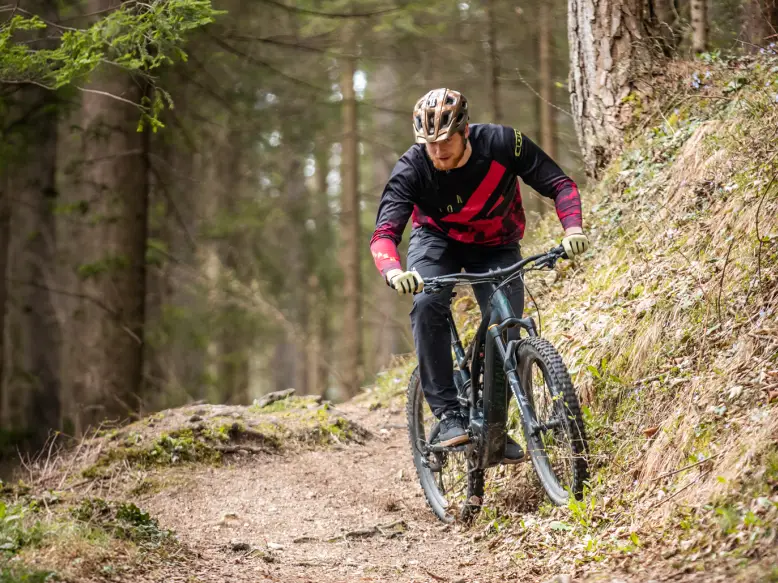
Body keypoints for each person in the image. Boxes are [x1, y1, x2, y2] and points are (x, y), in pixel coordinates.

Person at [369, 88, 589, 462]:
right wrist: (393, 271)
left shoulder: (503, 143)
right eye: (429, 143)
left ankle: (494, 434)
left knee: (505, 326)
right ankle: (450, 415)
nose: (437, 150)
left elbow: (560, 185)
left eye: (445, 140)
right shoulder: (412, 167)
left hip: (496, 243)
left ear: (466, 130)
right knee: (427, 304)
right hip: (437, 242)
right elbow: (384, 234)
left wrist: (572, 229)